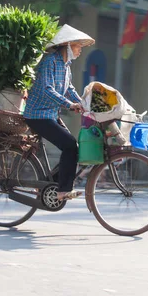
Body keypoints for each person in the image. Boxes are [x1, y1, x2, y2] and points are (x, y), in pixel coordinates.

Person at [23, 24, 95, 201]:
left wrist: (82, 103)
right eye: (78, 46)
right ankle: (63, 191)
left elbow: (68, 88)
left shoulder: (66, 65)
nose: (80, 51)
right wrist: (70, 105)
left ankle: (47, 186)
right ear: (68, 44)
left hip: (51, 114)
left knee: (73, 148)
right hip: (37, 114)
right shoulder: (50, 61)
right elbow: (48, 89)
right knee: (70, 145)